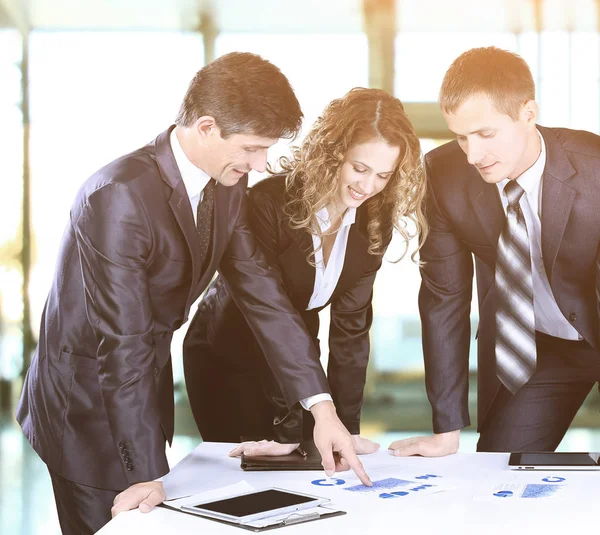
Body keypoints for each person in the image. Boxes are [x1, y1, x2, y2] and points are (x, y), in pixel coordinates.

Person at [16, 52, 371, 535]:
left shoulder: (226, 186)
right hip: (85, 402)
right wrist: (143, 470)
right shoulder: (119, 195)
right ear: (206, 127)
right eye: (251, 148)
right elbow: (124, 341)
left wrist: (322, 409)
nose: (260, 163)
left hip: (141, 386)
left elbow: (265, 298)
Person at [183, 87, 427, 458]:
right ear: (332, 154)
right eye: (359, 168)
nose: (368, 186)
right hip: (231, 356)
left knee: (318, 460)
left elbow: (351, 331)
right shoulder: (267, 204)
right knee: (254, 476)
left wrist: (346, 427)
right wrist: (290, 432)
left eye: (382, 175)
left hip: (298, 359)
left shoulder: (374, 223)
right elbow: (272, 317)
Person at [389, 46, 600, 457]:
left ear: (528, 113)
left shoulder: (594, 167)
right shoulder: (443, 176)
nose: (473, 156)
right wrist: (445, 430)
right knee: (496, 466)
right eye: (461, 137)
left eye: (486, 134)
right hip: (543, 348)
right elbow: (444, 299)